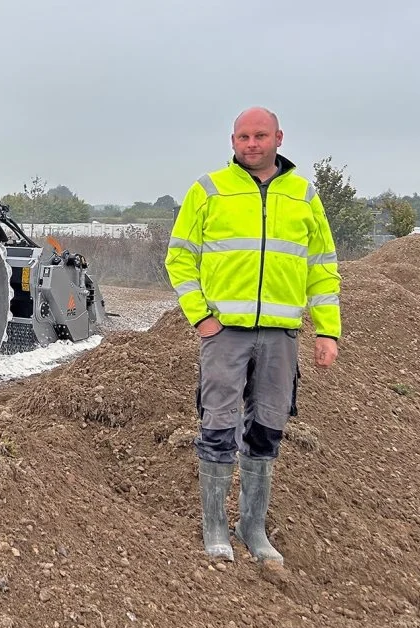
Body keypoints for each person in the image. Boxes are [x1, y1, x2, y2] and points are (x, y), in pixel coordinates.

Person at [165, 107, 341, 566]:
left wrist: (327, 331)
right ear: (233, 141)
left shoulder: (304, 196)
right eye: (243, 136)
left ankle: (253, 526)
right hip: (224, 334)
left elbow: (321, 268)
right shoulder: (209, 190)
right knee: (218, 425)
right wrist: (201, 317)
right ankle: (216, 526)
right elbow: (179, 258)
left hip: (281, 335)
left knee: (266, 427)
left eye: (260, 135)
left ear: (278, 138)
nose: (251, 144)